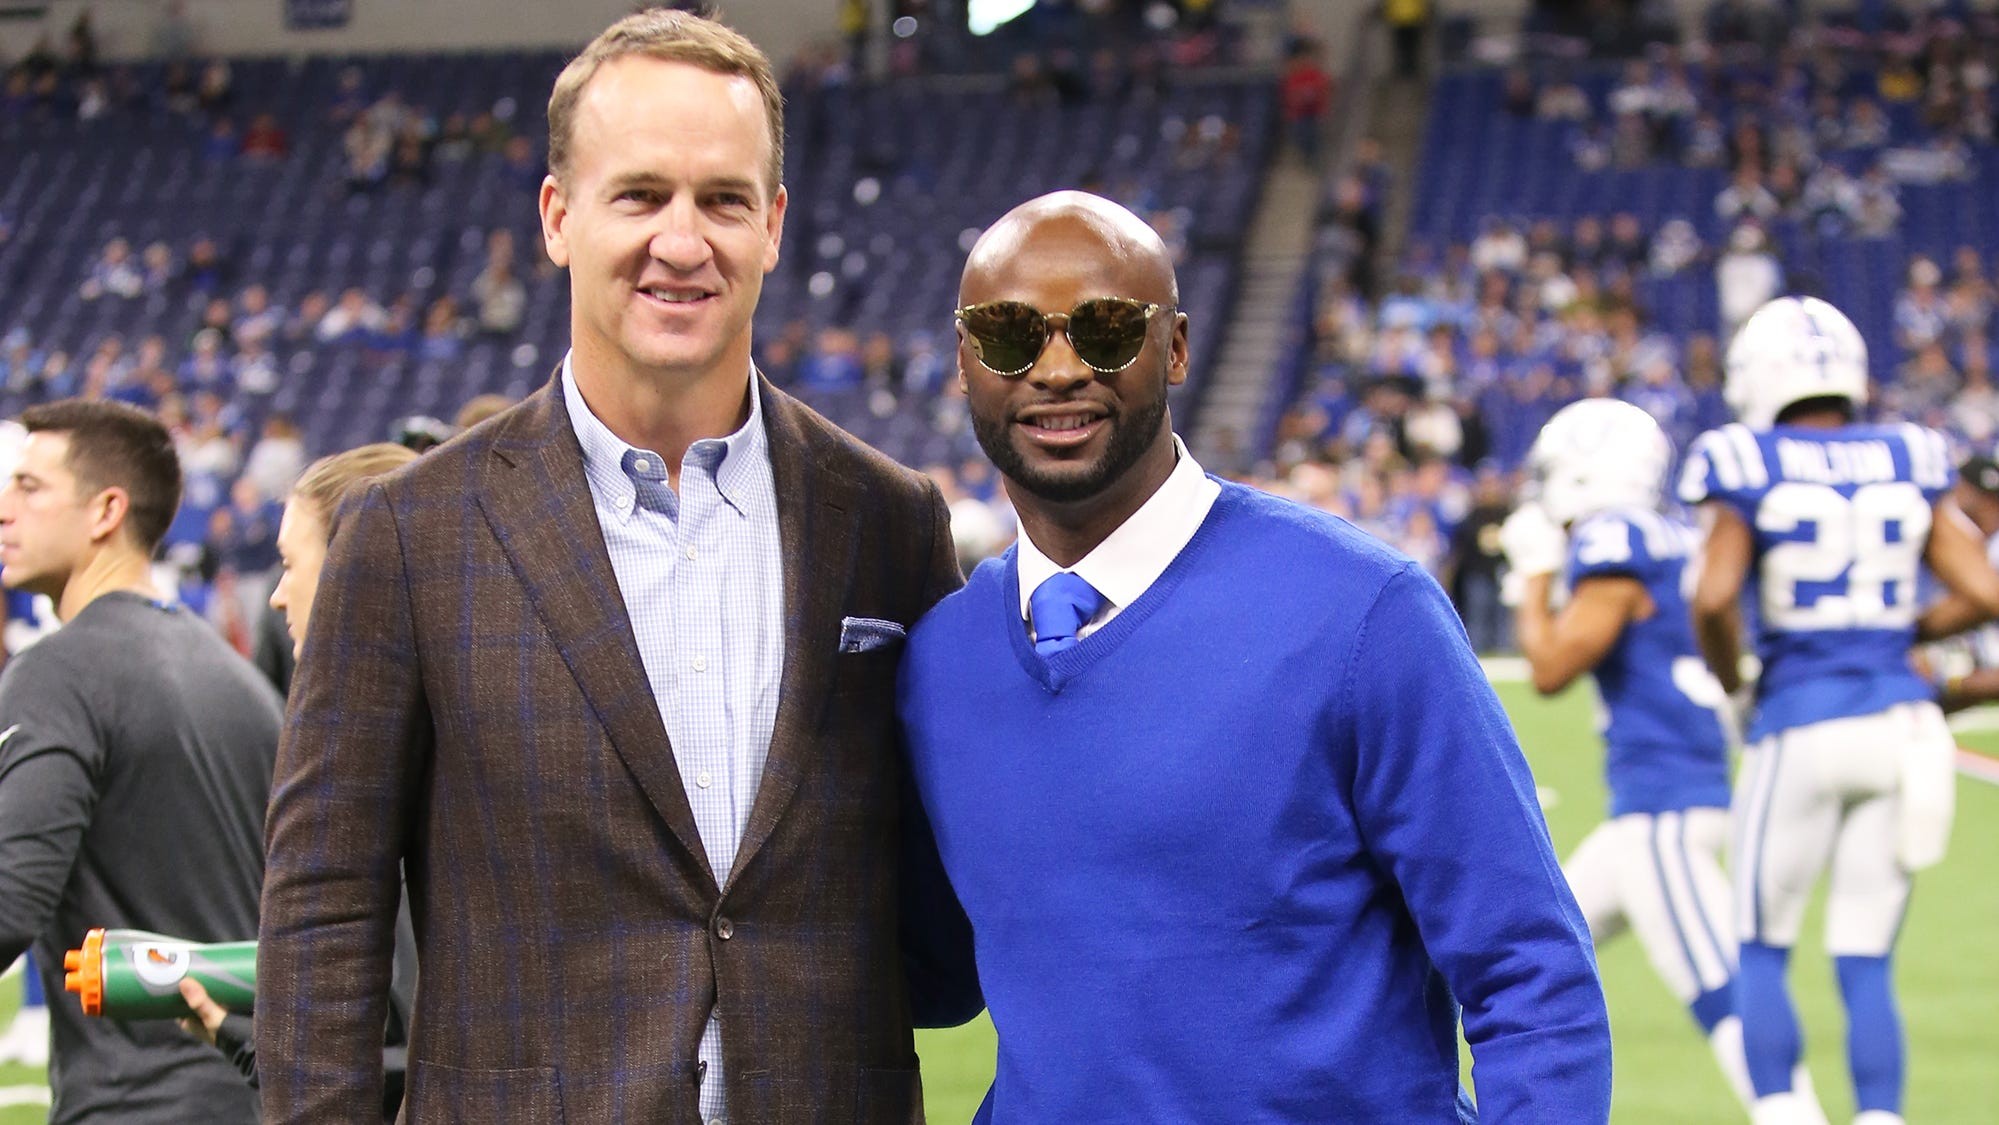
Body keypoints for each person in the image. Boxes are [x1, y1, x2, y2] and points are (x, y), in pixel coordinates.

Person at [256, 10, 979, 1123]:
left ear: (775, 223)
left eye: (723, 199)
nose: (683, 242)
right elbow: (322, 911)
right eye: (640, 195)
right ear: (558, 217)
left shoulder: (886, 522)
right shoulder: (409, 535)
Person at [897, 190, 1612, 1122]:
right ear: (964, 361)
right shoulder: (941, 663)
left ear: (1178, 347)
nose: (1058, 367)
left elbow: (1530, 973)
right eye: (1009, 333)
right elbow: (941, 978)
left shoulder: (1360, 611)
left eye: (1107, 329)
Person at [1680, 296, 1999, 1125]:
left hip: (1801, 718)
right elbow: (1984, 590)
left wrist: (1732, 678)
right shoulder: (1909, 450)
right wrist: (1900, 632)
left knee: (1759, 943)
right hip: (1902, 728)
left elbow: (1714, 595)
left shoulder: (1743, 457)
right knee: (1864, 959)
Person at [1504, 399, 1819, 1117]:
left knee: (1727, 999)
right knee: (1519, 957)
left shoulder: (1614, 539)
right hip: (1656, 809)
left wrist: (1532, 576)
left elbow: (1551, 665)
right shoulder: (1673, 535)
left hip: (1662, 814)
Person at [0, 399, 279, 1123]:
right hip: (257, 1092)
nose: (4, 508)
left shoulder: (57, 671)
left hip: (136, 1101)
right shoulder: (238, 676)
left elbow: (6, 904)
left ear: (106, 511)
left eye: (29, 487)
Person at [178, 442, 419, 1121]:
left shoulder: (392, 760)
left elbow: (409, 1046)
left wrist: (253, 1041)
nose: (279, 593)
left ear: (351, 566)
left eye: (290, 564)